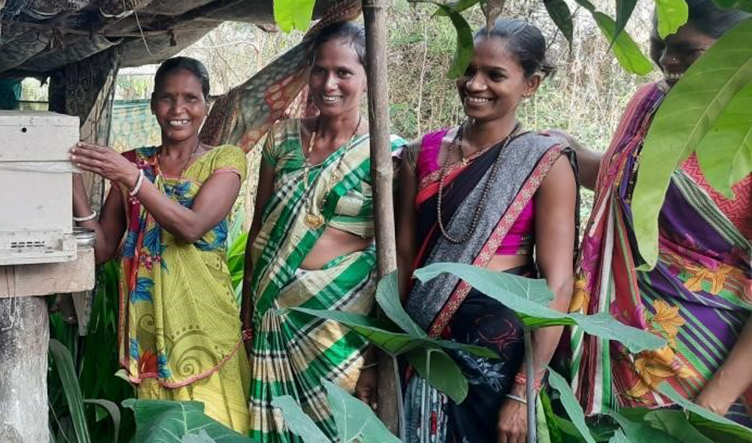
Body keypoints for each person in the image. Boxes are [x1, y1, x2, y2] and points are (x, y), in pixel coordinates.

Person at [564, 0, 752, 424]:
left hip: (711, 366)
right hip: (614, 342)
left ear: (738, 52)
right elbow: (623, 180)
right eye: (660, 45)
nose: (666, 60)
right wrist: (566, 150)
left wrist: (714, 403)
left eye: (688, 50)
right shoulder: (650, 103)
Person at [394, 19, 578, 443]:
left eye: (495, 75)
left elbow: (557, 283)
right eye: (468, 70)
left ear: (530, 85)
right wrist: (384, 349)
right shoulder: (421, 153)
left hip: (498, 357)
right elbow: (401, 259)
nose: (475, 84)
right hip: (420, 342)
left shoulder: (545, 162)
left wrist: (523, 390)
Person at [242, 21, 405, 441]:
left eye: (343, 72)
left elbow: (393, 258)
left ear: (368, 77)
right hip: (271, 313)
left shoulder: (388, 153)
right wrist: (246, 312)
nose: (328, 83)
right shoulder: (282, 139)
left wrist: (375, 356)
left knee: (338, 431)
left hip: (338, 327)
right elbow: (260, 229)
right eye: (319, 70)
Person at [70, 57, 250, 431]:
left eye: (191, 98)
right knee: (163, 433)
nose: (178, 109)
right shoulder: (134, 164)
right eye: (168, 98)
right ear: (154, 104)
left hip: (206, 327)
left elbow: (191, 227)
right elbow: (103, 249)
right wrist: (74, 187)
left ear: (206, 104)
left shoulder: (224, 160)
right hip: (148, 333)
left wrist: (133, 180)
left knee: (216, 431)